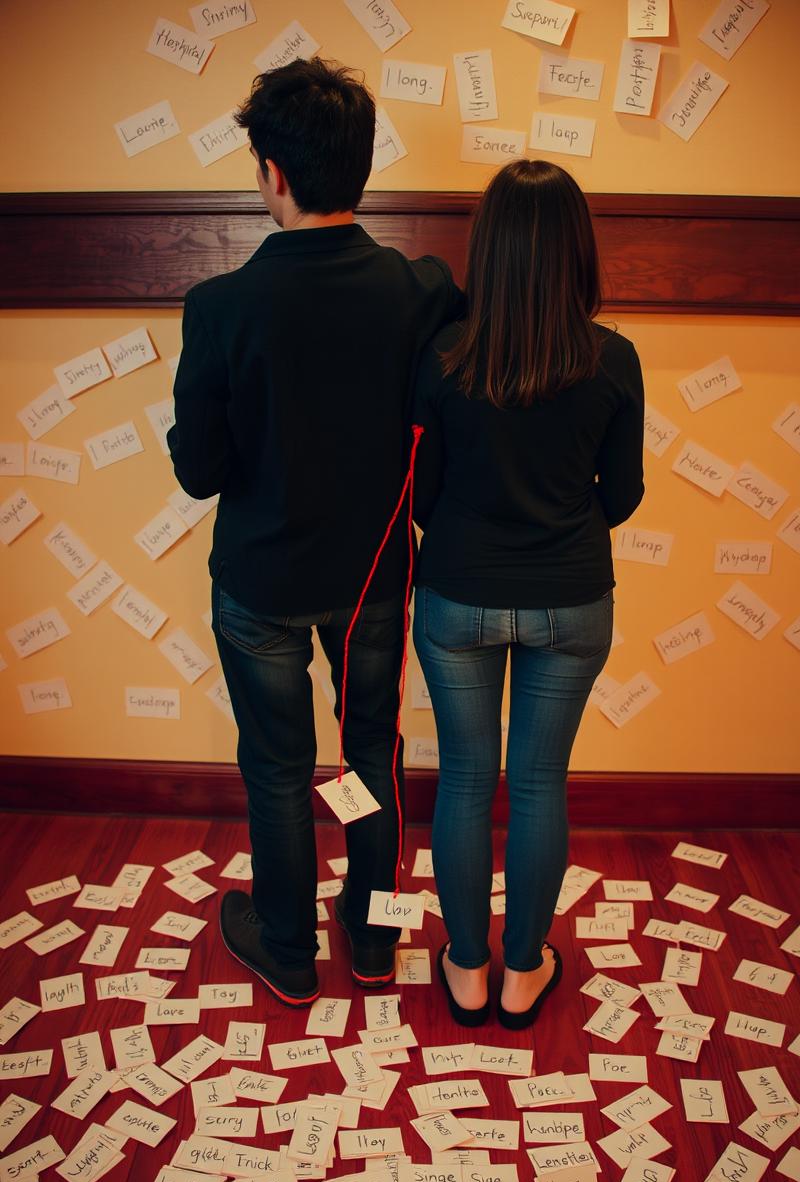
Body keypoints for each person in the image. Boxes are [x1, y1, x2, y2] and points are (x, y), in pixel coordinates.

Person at [168, 58, 463, 1008]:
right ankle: (373, 942)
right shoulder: (423, 292)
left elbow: (199, 471)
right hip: (376, 574)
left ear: (273, 174)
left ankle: (289, 946)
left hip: (258, 579)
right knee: (370, 751)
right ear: (360, 168)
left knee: (280, 764)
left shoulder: (219, 309)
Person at [412, 160, 644, 1030]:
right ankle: (523, 974)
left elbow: (422, 493)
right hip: (572, 598)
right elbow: (621, 496)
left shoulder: (441, 357)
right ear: (576, 251)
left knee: (468, 782)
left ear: (490, 251)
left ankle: (465, 971)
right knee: (541, 783)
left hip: (458, 595)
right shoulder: (614, 359)